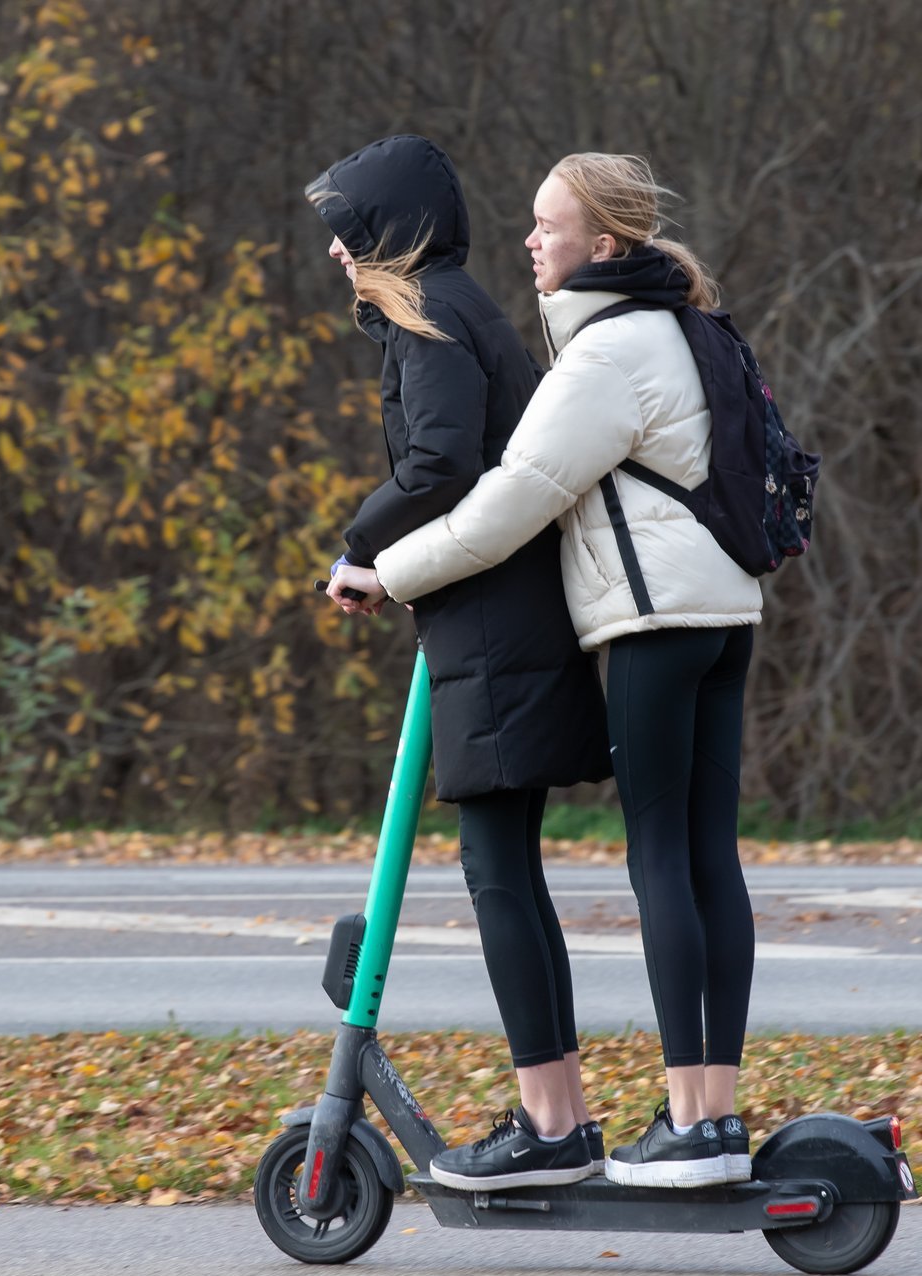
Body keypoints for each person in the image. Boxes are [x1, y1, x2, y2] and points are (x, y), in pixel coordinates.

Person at [330, 153, 762, 1190]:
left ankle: (675, 1125)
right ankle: (706, 1112)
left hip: (645, 617)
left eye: (549, 226)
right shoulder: (683, 327)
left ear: (602, 247)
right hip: (720, 606)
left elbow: (504, 489)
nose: (528, 241)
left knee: (657, 853)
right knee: (700, 853)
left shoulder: (602, 352)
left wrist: (380, 564)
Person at [306, 135, 612, 1191]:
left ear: (389, 233)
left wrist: (358, 549)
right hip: (495, 618)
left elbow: (438, 460)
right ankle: (557, 1116)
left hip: (494, 627)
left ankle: (551, 1127)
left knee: (497, 874)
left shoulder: (427, 314)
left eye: (350, 230)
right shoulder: (447, 306)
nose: (338, 252)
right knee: (504, 873)